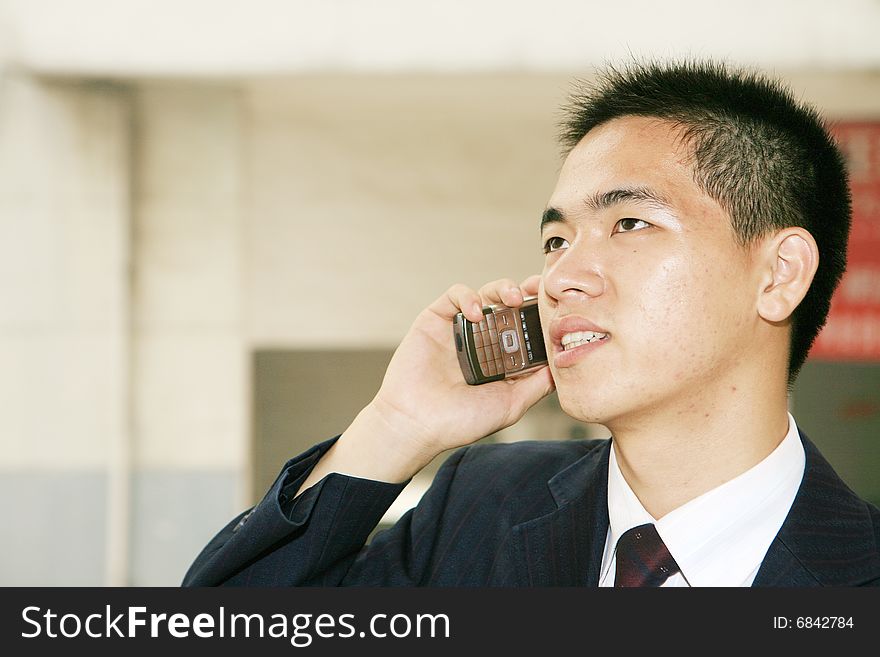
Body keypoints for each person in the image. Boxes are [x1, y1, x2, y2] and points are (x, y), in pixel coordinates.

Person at [183, 60, 880, 587]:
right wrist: (396, 425)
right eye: (556, 241)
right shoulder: (482, 508)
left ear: (780, 273)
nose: (562, 277)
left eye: (629, 222)